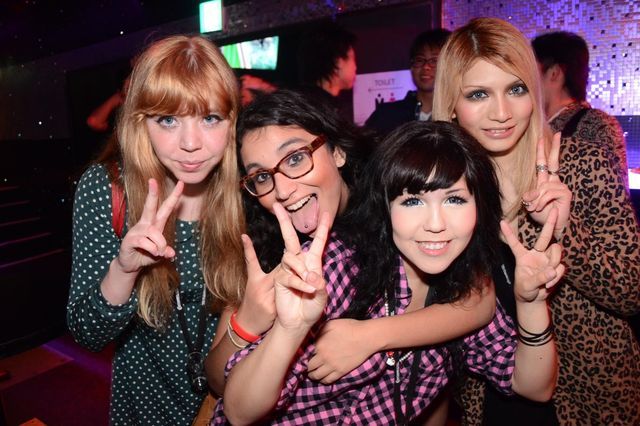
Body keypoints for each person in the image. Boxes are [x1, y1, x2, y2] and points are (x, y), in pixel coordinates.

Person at [212, 120, 562, 425]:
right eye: (412, 201)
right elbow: (239, 412)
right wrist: (290, 331)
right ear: (385, 207)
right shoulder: (336, 268)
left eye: (454, 200)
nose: (435, 224)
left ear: (478, 208)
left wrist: (530, 304)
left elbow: (534, 387)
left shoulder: (462, 289)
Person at [203, 90, 496, 403]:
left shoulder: (394, 204)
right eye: (261, 176)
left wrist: (371, 336)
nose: (283, 190)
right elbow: (219, 384)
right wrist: (247, 322)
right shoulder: (264, 248)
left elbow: (479, 298)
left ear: (338, 152)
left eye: (295, 158)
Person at [433, 17, 640, 426]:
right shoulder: (445, 188)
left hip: (585, 397)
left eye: (516, 89)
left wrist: (564, 231)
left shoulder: (584, 164)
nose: (502, 112)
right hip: (488, 398)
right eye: (478, 94)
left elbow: (631, 291)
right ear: (452, 104)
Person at [67, 35, 246, 425]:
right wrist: (124, 270)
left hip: (231, 405)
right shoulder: (108, 188)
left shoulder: (248, 189)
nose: (190, 144)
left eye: (209, 118)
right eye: (168, 119)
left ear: (231, 121)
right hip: (144, 408)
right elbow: (87, 334)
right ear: (141, 123)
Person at [532, 31, 628, 188]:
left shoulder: (599, 125)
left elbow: (610, 197)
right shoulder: (536, 124)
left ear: (554, 73)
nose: (527, 80)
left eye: (532, 71)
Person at [365, 29, 451, 135]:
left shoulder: (458, 116)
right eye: (420, 60)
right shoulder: (386, 114)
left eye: (434, 61)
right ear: (411, 67)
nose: (426, 66)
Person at [297, 21, 358, 120]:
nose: (355, 67)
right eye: (353, 59)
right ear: (338, 62)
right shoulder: (322, 114)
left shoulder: (305, 105)